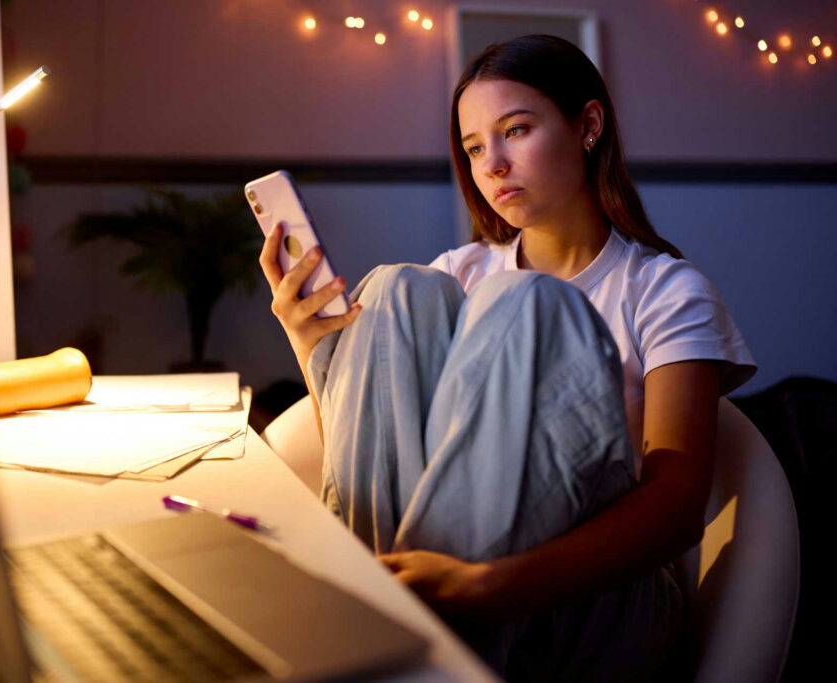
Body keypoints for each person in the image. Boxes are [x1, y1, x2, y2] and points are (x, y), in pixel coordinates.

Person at [258, 34, 755, 681]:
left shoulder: (664, 290)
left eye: (515, 130)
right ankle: (383, 625)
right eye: (472, 147)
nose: (490, 163)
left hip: (593, 593)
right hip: (429, 581)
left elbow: (678, 506)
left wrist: (496, 584)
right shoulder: (451, 274)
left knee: (526, 304)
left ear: (589, 126)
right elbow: (381, 457)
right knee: (394, 288)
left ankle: (395, 639)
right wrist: (308, 341)